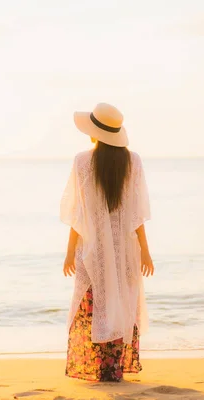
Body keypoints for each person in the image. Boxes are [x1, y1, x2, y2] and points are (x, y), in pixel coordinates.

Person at [60, 102, 154, 382]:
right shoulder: (133, 161)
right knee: (120, 304)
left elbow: (78, 214)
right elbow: (137, 214)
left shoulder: (81, 162)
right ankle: (114, 369)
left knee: (94, 306)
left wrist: (69, 253)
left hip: (92, 250)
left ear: (94, 134)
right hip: (126, 251)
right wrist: (146, 252)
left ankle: (97, 367)